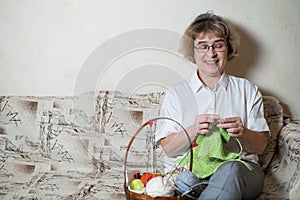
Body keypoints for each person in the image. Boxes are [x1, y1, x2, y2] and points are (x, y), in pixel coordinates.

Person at [155, 11, 270, 200]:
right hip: (191, 174)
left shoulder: (247, 90)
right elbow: (169, 149)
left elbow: (260, 146)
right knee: (186, 181)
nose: (211, 53)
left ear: (228, 48)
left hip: (242, 173)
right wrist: (193, 130)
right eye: (203, 46)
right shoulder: (176, 94)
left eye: (218, 45)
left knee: (230, 169)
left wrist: (243, 132)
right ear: (192, 51)